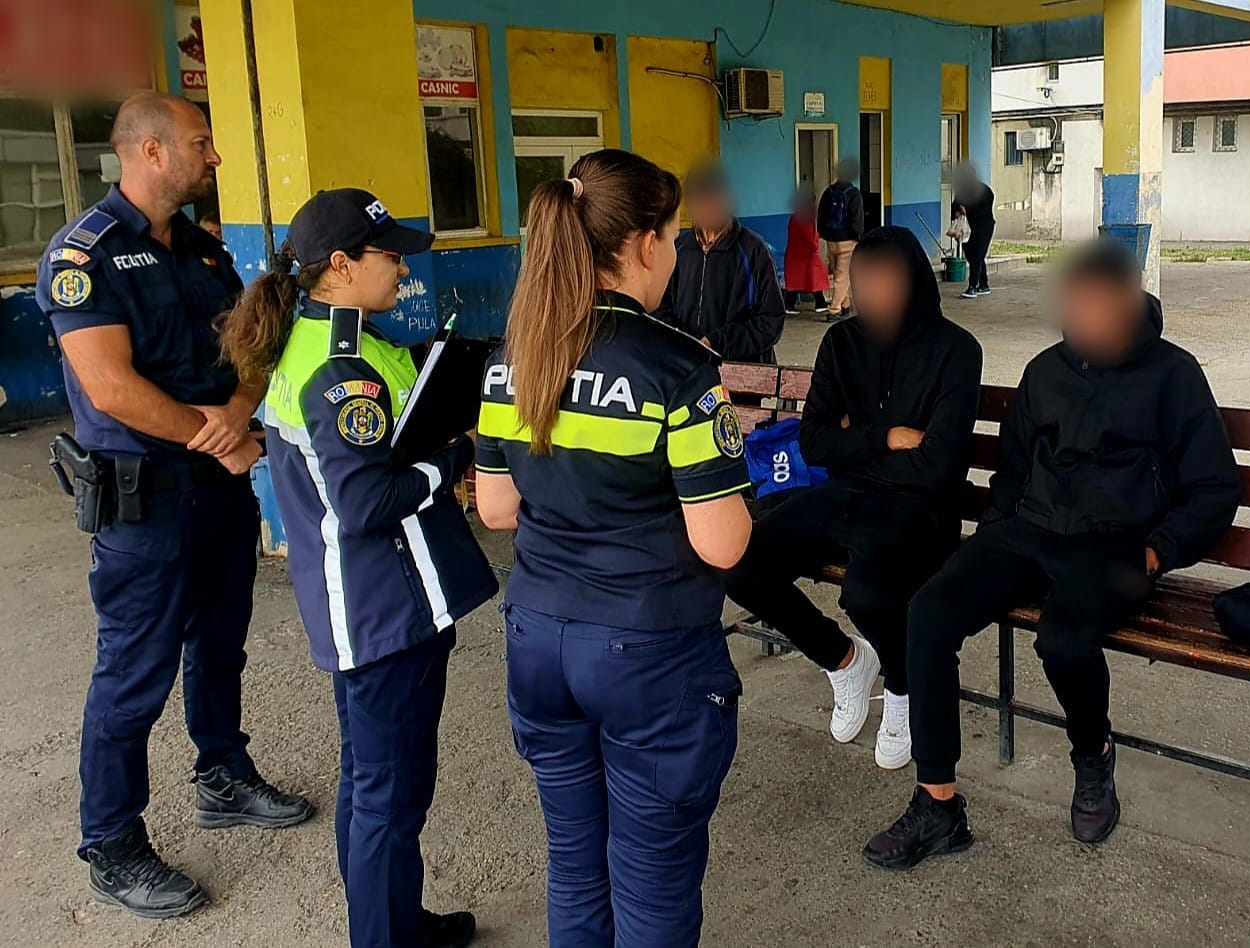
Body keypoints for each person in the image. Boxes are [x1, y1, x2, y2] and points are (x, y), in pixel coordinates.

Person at [865, 238, 1242, 870]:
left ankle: (1092, 755)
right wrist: (995, 530)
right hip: (1031, 530)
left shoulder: (1174, 376)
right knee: (927, 612)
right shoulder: (1045, 371)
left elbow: (1215, 488)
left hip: (1116, 546)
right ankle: (938, 804)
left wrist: (1157, 552)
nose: (1085, 317)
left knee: (1064, 640)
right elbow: (1013, 467)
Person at [34, 91, 314, 919]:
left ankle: (222, 773)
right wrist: (218, 436)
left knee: (220, 643)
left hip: (216, 489)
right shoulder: (82, 255)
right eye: (202, 142)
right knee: (133, 672)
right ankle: (111, 840)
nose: (215, 156)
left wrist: (241, 410)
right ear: (151, 151)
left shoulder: (203, 250)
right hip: (143, 502)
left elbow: (251, 348)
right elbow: (111, 387)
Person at [476, 149, 753, 947]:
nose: (674, 253)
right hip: (649, 655)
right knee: (652, 880)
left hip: (538, 640)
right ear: (643, 243)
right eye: (671, 235)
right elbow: (723, 543)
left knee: (575, 865)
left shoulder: (514, 356)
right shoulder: (680, 368)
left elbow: (497, 508)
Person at [219, 188, 497, 948]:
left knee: (372, 781)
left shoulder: (329, 339)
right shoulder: (338, 369)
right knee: (389, 796)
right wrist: (454, 459)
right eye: (390, 254)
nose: (403, 267)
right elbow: (368, 501)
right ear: (340, 266)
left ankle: (392, 923)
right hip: (384, 610)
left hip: (363, 603)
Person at [725, 226, 982, 769]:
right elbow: (815, 443)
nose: (873, 295)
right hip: (844, 492)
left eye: (887, 282)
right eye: (864, 282)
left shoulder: (957, 351)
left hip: (922, 509)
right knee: (740, 564)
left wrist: (853, 440)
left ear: (914, 282)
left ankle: (902, 684)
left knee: (867, 594)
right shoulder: (841, 343)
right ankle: (843, 660)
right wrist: (887, 437)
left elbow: (939, 468)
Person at [655, 159, 785, 363]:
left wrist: (716, 343)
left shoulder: (753, 250)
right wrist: (687, 342)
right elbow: (659, 307)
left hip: (742, 368)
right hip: (687, 364)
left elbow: (771, 321)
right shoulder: (677, 248)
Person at [817, 157, 865, 319]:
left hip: (831, 240)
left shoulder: (828, 192)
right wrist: (858, 236)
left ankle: (845, 304)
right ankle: (835, 309)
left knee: (840, 274)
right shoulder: (854, 193)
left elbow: (821, 215)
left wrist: (824, 234)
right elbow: (857, 220)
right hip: (848, 241)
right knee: (842, 277)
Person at [783, 183, 829, 314]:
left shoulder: (796, 216)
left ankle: (790, 305)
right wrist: (816, 246)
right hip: (803, 255)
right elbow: (810, 237)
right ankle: (819, 303)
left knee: (796, 281)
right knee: (814, 278)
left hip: (796, 255)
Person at [951, 163, 995, 300]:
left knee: (977, 255)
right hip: (968, 229)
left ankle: (972, 286)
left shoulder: (985, 191)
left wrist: (967, 210)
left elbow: (983, 209)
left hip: (983, 227)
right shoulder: (962, 191)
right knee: (973, 256)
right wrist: (957, 212)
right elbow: (954, 208)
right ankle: (984, 284)